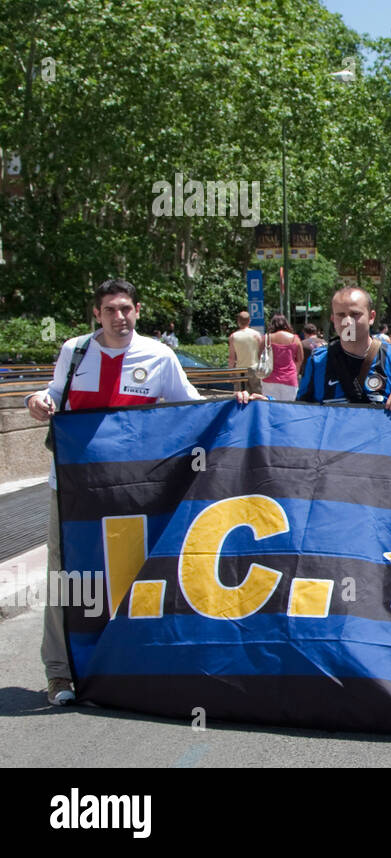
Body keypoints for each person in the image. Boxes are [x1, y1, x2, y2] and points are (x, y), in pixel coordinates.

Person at [24, 279, 258, 706]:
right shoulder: (75, 352)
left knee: (138, 573)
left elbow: (191, 408)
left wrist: (234, 403)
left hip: (137, 490)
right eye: (111, 310)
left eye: (126, 309)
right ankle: (61, 674)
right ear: (96, 314)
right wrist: (36, 400)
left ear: (138, 310)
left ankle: (138, 663)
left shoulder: (158, 355)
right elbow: (53, 396)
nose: (120, 317)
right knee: (68, 577)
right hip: (75, 487)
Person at [297, 287, 391, 409]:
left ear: (371, 317)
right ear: (333, 319)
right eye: (341, 315)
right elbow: (301, 411)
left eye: (355, 314)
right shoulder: (318, 361)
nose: (347, 321)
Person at [261, 313, 303, 401]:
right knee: (289, 409)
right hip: (289, 379)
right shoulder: (295, 339)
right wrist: (295, 372)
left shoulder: (266, 338)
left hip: (269, 379)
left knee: (271, 408)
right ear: (286, 324)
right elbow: (300, 359)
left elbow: (259, 356)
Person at [228, 309, 264, 394]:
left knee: (241, 396)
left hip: (240, 370)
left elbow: (231, 357)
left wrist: (230, 373)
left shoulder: (233, 336)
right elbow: (261, 354)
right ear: (249, 321)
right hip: (254, 369)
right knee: (257, 395)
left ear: (238, 321)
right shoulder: (256, 335)